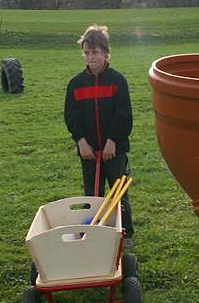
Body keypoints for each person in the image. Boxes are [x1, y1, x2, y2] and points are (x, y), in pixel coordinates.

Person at [64, 24, 134, 248]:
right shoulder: (75, 84)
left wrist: (112, 141)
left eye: (95, 52)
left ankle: (125, 233)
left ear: (105, 53)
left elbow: (124, 115)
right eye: (86, 52)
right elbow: (72, 116)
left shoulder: (117, 81)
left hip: (114, 149)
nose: (90, 57)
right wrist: (81, 141)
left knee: (117, 193)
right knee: (92, 195)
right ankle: (94, 231)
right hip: (88, 151)